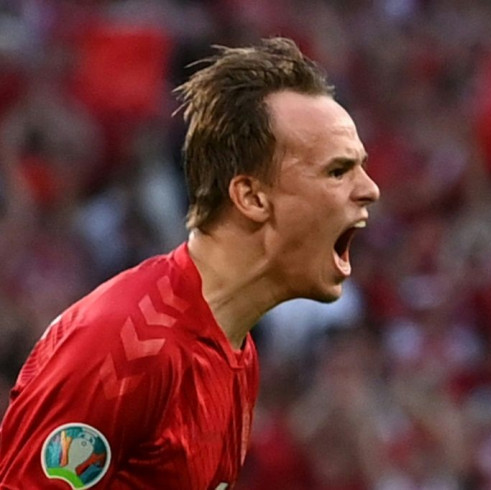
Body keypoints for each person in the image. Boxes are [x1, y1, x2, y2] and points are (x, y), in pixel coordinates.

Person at [0, 37, 380, 489]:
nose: (369, 190)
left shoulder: (237, 352)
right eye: (335, 172)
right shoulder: (125, 344)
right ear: (253, 198)